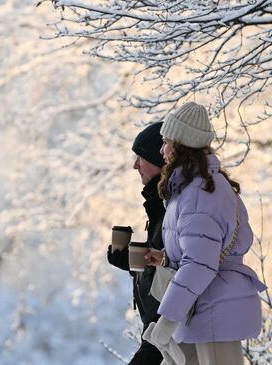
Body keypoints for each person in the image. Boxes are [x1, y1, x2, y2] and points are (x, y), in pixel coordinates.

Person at [142, 102, 267, 365]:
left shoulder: (200, 193)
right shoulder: (191, 189)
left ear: (181, 145)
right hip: (201, 309)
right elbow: (200, 252)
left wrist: (167, 318)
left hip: (213, 312)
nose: (162, 150)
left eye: (166, 142)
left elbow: (200, 263)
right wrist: (165, 258)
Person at [107, 122, 167, 365]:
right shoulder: (160, 204)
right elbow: (164, 254)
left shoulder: (173, 205)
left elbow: (184, 262)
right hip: (157, 331)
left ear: (160, 159)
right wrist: (132, 260)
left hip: (165, 331)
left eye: (141, 158)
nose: (135, 165)